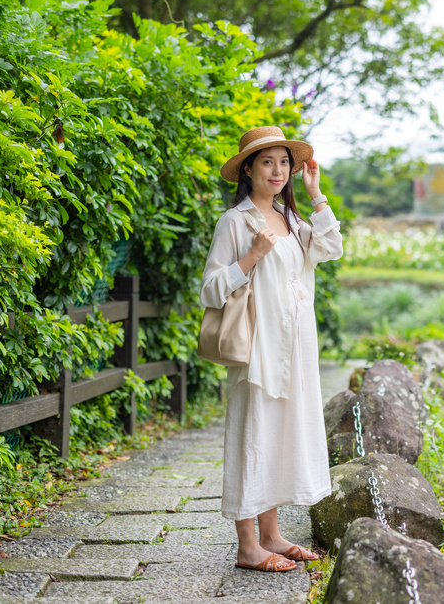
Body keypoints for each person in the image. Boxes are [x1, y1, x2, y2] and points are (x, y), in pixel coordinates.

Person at [198, 126, 343, 573]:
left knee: (280, 433)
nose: (278, 170)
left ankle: (273, 536)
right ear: (248, 169)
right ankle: (247, 547)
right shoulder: (236, 221)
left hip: (296, 348)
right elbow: (209, 290)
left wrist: (317, 195)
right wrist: (251, 257)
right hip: (258, 347)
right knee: (252, 434)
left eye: (285, 162)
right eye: (267, 162)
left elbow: (332, 248)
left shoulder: (290, 218)